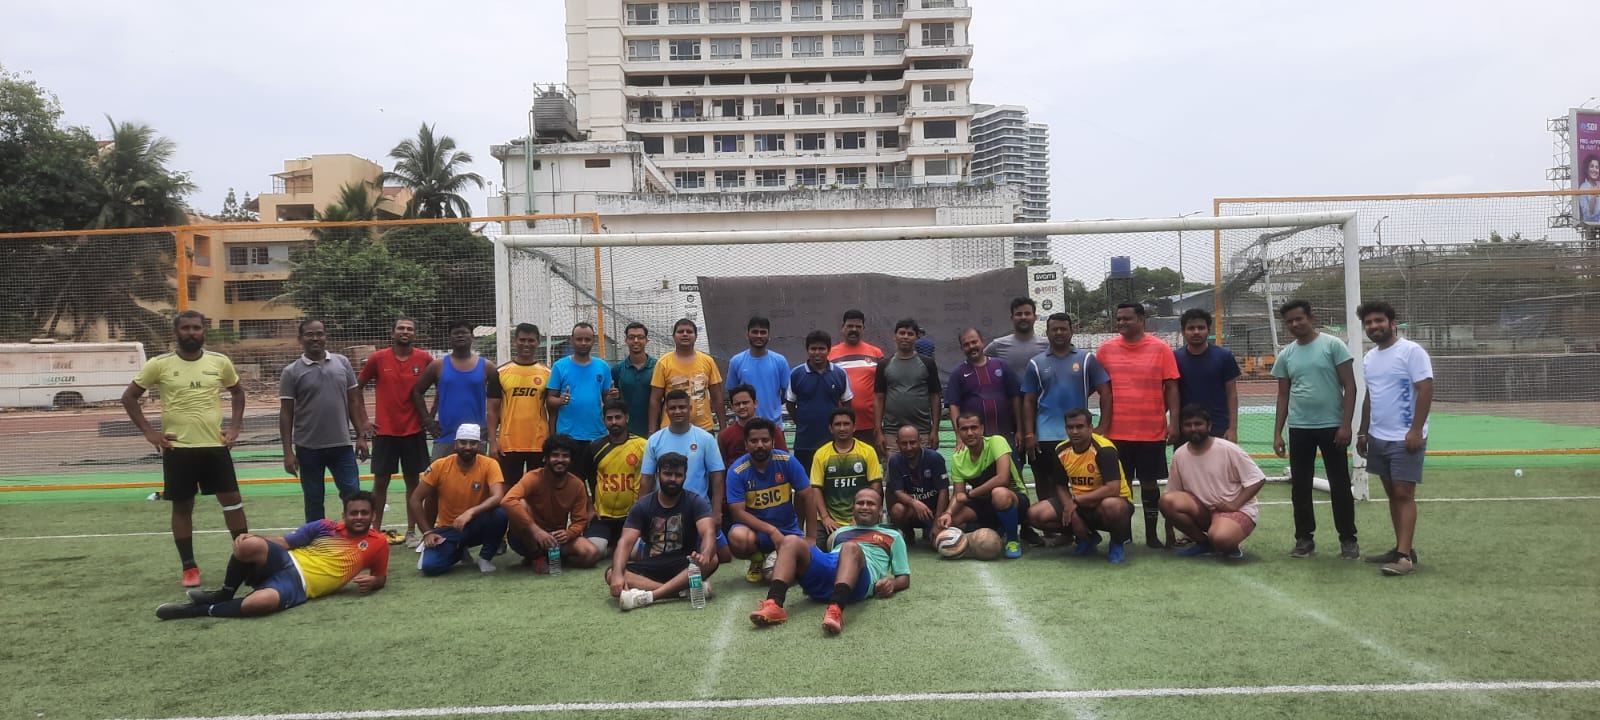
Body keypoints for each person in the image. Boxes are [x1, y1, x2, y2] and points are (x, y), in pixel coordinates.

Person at [123, 310, 250, 587]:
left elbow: (238, 392)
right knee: (182, 506)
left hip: (214, 446)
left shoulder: (219, 362)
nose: (191, 332)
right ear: (176, 332)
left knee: (233, 502)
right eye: (186, 328)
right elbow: (129, 397)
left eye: (196, 328)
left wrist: (235, 427)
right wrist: (149, 432)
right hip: (178, 449)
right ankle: (189, 567)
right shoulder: (159, 364)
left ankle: (246, 560)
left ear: (204, 331)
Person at [156, 492, 388, 620]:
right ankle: (223, 594)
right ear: (344, 515)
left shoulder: (378, 543)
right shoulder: (325, 526)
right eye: (353, 513)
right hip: (286, 560)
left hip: (300, 586)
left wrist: (374, 582)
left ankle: (196, 611)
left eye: (364, 513)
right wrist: (252, 537)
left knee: (259, 603)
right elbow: (284, 542)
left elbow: (380, 577)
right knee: (247, 545)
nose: (359, 517)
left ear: (373, 516)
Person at [748, 487, 910, 635]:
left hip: (860, 581)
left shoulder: (893, 536)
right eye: (860, 503)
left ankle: (835, 609)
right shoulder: (840, 533)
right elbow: (830, 559)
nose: (865, 507)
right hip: (832, 569)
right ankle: (774, 604)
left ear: (880, 510)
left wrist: (892, 583)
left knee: (850, 548)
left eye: (871, 504)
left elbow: (904, 577)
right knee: (790, 540)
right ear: (853, 508)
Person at [1271, 299, 1359, 560]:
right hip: (1299, 428)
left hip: (1332, 427)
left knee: (1340, 484)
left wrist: (1346, 425)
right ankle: (1304, 539)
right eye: (1289, 321)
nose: (1294, 324)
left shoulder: (1333, 345)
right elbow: (1283, 395)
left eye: (1299, 319)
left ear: (1311, 317)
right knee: (1300, 486)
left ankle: (1348, 539)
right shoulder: (1286, 355)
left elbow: (1350, 386)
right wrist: (1277, 433)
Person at [1355, 300, 1433, 577]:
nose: (1373, 326)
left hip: (1405, 438)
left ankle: (1404, 557)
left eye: (1379, 320)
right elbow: (1370, 396)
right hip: (1379, 437)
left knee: (1403, 493)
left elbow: (1425, 389)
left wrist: (1415, 430)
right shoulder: (1370, 358)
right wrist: (1363, 432)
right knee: (1392, 494)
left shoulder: (1411, 351)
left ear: (1393, 323)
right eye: (1368, 323)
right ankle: (1403, 547)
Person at [1096, 303, 1180, 549]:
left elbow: (1172, 387)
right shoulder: (1105, 350)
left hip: (1151, 432)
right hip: (1115, 433)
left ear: (1141, 320)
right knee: (1120, 488)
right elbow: (1097, 386)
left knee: (1149, 484)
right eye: (1118, 318)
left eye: (1127, 318)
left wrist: (1174, 422)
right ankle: (1124, 534)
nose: (1121, 322)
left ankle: (1152, 536)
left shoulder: (1161, 348)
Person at [279, 319, 369, 524]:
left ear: (326, 336)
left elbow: (354, 401)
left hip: (341, 446)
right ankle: (317, 539)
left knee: (352, 494)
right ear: (300, 339)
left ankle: (355, 536)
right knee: (313, 499)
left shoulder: (342, 363)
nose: (315, 338)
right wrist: (288, 452)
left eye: (319, 333)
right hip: (308, 448)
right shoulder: (291, 372)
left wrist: (361, 436)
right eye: (309, 334)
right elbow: (286, 413)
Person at [1021, 312, 1110, 517]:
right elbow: (1028, 401)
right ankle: (1051, 526)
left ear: (1071, 331)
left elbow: (1105, 392)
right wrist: (1029, 434)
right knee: (1045, 482)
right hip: (1045, 437)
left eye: (1063, 328)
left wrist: (1102, 427)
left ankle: (1082, 524)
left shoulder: (1086, 359)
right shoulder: (1035, 363)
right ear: (1047, 332)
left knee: (1084, 483)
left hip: (1078, 437)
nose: (1059, 333)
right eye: (1055, 329)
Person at [608, 452, 720, 611]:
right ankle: (681, 592)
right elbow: (625, 542)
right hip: (652, 564)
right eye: (667, 474)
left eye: (678, 475)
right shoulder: (642, 505)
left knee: (713, 559)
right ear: (657, 475)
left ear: (685, 477)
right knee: (612, 573)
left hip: (684, 563)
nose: (673, 479)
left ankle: (651, 596)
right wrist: (618, 574)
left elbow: (708, 532)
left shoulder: (695, 501)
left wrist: (706, 554)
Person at [356, 317, 433, 545]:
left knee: (413, 483)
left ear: (415, 334)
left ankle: (411, 532)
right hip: (385, 432)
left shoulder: (425, 359)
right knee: (380, 483)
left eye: (409, 329)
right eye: (401, 328)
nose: (405, 332)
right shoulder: (378, 358)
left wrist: (429, 416)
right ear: (392, 333)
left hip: (413, 431)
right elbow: (356, 388)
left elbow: (442, 384)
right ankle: (374, 532)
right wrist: (364, 421)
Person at [1025, 408, 1133, 563]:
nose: (1074, 431)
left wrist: (1075, 501)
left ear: (1090, 428)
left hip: (1107, 503)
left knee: (1113, 506)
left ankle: (1116, 544)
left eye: (1080, 427)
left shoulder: (1104, 450)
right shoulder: (1061, 450)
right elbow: (1061, 486)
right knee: (1035, 514)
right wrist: (1074, 515)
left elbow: (1113, 489)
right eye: (1070, 427)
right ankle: (1088, 538)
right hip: (1080, 504)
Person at [1160, 405, 1266, 559]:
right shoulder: (1180, 454)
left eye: (1198, 424)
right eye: (1188, 425)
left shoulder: (1228, 449)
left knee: (1221, 539)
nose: (1193, 429)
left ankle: (1228, 542)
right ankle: (1203, 543)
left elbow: (1258, 479)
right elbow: (1173, 492)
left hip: (1234, 510)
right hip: (1204, 511)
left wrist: (1234, 504)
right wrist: (1169, 527)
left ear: (1209, 426)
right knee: (1166, 501)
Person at [410, 424, 508, 575]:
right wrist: (427, 532)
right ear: (455, 443)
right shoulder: (439, 466)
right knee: (430, 567)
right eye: (463, 442)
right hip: (449, 529)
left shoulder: (490, 464)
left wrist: (471, 512)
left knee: (500, 513)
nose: (467, 447)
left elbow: (498, 496)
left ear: (479, 445)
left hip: (476, 525)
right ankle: (458, 550)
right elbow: (415, 499)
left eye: (472, 443)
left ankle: (485, 557)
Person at [726, 417, 814, 582]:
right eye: (754, 441)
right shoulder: (737, 471)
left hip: (788, 530)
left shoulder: (787, 461)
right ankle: (757, 559)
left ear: (773, 442)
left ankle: (776, 557)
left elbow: (808, 495)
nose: (760, 445)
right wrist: (771, 531)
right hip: (756, 532)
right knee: (737, 536)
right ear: (746, 444)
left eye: (765, 440)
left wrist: (811, 538)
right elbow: (737, 513)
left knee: (777, 577)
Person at [502, 434, 603, 571]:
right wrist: (536, 531)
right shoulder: (533, 477)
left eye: (565, 456)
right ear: (546, 458)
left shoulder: (577, 485)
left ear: (571, 460)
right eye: (555, 455)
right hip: (526, 536)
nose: (560, 460)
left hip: (555, 538)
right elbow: (507, 501)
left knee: (591, 554)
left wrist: (569, 533)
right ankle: (536, 556)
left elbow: (580, 521)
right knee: (520, 503)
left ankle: (553, 558)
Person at [412, 319, 503, 461]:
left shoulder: (487, 366)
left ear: (472, 337)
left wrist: (491, 428)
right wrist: (428, 419)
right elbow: (417, 391)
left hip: (475, 437)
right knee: (438, 473)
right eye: (456, 333)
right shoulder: (438, 365)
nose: (460, 336)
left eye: (464, 333)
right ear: (449, 338)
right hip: (445, 435)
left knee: (475, 474)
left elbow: (498, 400)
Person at [940, 410, 1025, 558]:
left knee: (999, 493)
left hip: (1014, 500)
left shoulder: (996, 441)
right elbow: (958, 496)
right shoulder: (958, 458)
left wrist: (971, 494)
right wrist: (948, 513)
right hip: (983, 503)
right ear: (958, 432)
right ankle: (994, 531)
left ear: (982, 429)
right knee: (953, 521)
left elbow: (1002, 479)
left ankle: (1012, 540)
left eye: (974, 427)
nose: (970, 433)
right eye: (964, 429)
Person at [641, 390, 726, 526]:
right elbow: (646, 479)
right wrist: (642, 511)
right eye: (673, 408)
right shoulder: (654, 441)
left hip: (698, 511)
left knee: (712, 540)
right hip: (663, 511)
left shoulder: (706, 439)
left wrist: (716, 511)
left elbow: (717, 476)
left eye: (682, 407)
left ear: (690, 409)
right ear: (666, 411)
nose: (677, 411)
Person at [547, 322, 612, 484]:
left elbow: (608, 400)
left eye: (587, 339)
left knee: (598, 484)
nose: (583, 343)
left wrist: (613, 396)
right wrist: (560, 400)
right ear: (572, 340)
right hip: (569, 436)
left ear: (593, 341)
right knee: (572, 484)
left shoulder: (602, 367)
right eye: (579, 339)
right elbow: (549, 400)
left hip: (597, 435)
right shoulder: (560, 366)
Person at [809, 408, 883, 543]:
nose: (842, 428)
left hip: (861, 517)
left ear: (854, 427)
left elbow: (875, 486)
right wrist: (825, 518)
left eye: (846, 424)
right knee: (817, 550)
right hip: (830, 520)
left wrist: (859, 517)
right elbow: (816, 489)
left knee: (869, 548)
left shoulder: (868, 451)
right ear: (831, 428)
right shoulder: (821, 454)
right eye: (837, 424)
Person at [493, 322, 552, 493]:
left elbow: (553, 410)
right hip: (509, 443)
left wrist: (552, 440)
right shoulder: (500, 372)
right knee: (508, 491)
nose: (526, 344)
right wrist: (492, 441)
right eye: (522, 340)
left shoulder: (547, 373)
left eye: (531, 340)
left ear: (538, 342)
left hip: (539, 442)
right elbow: (492, 410)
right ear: (515, 341)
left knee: (538, 490)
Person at [584, 400, 648, 558]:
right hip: (602, 517)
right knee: (593, 552)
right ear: (604, 420)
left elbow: (650, 479)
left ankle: (617, 546)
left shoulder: (643, 445)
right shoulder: (595, 447)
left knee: (636, 553)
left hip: (631, 517)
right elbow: (579, 479)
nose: (614, 422)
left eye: (618, 417)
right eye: (609, 418)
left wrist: (643, 510)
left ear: (626, 418)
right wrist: (589, 508)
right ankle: (613, 545)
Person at [945, 327, 1023, 448]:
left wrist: (1020, 430)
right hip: (975, 442)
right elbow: (953, 405)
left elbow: (1015, 397)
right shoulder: (958, 373)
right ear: (962, 349)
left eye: (974, 342)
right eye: (966, 345)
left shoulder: (1001, 365)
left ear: (983, 342)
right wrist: (959, 436)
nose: (971, 346)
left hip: (1006, 436)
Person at [786, 330, 853, 469]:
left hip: (832, 441)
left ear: (828, 350)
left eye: (821, 349)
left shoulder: (839, 373)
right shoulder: (796, 374)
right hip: (805, 443)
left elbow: (847, 403)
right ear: (807, 350)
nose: (817, 352)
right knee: (805, 480)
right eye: (813, 348)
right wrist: (802, 422)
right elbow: (790, 403)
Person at [875, 318, 942, 454]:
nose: (905, 337)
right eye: (902, 333)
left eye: (910, 334)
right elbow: (879, 398)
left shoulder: (928, 363)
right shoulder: (884, 365)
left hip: (922, 432)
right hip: (892, 433)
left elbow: (935, 398)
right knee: (893, 466)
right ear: (895, 336)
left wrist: (934, 430)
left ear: (916, 338)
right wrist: (879, 432)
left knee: (922, 467)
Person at [1174, 309, 1241, 443]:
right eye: (1191, 328)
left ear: (1208, 330)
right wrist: (1174, 425)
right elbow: (1171, 394)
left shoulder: (1224, 356)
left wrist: (1233, 428)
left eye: (1201, 328)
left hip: (1219, 427)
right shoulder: (1175, 358)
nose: (1196, 332)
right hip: (1186, 427)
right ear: (1183, 332)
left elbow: (1232, 394)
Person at [648, 318, 725, 434]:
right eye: (680, 332)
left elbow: (717, 397)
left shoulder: (708, 361)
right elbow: (655, 399)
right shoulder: (663, 363)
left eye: (689, 332)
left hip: (703, 428)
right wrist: (652, 431)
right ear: (674, 336)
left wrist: (723, 428)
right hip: (671, 428)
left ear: (696, 336)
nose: (685, 334)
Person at [829, 309, 885, 454]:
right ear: (842, 327)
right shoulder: (830, 355)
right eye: (850, 326)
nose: (854, 329)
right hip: (841, 425)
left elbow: (883, 390)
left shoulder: (876, 353)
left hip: (870, 425)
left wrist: (879, 426)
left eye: (858, 326)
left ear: (863, 328)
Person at [884, 424, 950, 546]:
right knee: (897, 510)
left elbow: (943, 490)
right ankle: (908, 533)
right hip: (913, 511)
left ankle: (930, 529)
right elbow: (898, 492)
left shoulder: (935, 458)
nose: (909, 447)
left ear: (920, 440)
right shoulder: (894, 461)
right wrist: (914, 503)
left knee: (938, 544)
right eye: (904, 443)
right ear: (897, 443)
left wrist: (937, 522)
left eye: (912, 442)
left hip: (934, 511)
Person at [726, 316, 789, 428]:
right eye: (755, 332)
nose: (759, 336)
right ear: (747, 335)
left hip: (773, 426)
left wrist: (772, 407)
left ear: (769, 336)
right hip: (745, 426)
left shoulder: (780, 361)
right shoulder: (736, 361)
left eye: (763, 332)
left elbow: (786, 393)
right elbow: (732, 393)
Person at [719, 383, 787, 468]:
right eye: (737, 404)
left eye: (745, 403)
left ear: (755, 403)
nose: (741, 406)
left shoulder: (772, 429)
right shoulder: (725, 435)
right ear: (732, 407)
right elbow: (722, 465)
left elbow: (785, 460)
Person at [609, 322, 657, 438]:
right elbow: (611, 400)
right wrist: (613, 396)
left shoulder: (658, 367)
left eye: (640, 337)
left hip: (655, 430)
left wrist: (653, 429)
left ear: (646, 340)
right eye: (631, 337)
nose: (636, 341)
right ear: (626, 340)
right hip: (627, 432)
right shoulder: (617, 369)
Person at [1579, 154, 1600, 224]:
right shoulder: (1583, 188)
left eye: (1597, 167)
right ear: (1586, 169)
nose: (1594, 170)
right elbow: (1588, 217)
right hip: (1592, 227)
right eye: (1592, 166)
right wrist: (1593, 197)